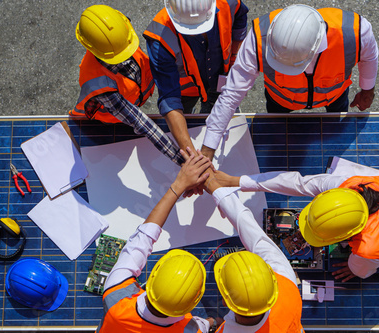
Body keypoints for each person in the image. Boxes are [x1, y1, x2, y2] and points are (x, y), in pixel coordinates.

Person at [210, 170, 379, 286]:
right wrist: (236, 181)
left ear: (345, 237)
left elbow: (361, 271)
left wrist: (354, 268)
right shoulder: (348, 186)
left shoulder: (370, 248)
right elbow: (298, 182)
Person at [201, 4, 378, 160]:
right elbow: (232, 92)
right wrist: (209, 146)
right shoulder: (258, 39)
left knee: (335, 137)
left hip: (334, 97)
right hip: (280, 101)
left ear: (316, 48)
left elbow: (369, 57)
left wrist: (367, 89)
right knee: (279, 144)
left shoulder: (356, 32)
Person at [97, 148, 217, 332]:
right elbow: (204, 324)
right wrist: (213, 322)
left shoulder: (116, 297)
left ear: (152, 277)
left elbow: (142, 239)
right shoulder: (191, 329)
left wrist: (178, 185)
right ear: (192, 306)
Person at [70, 5, 184, 166]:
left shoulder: (120, 41)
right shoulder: (99, 85)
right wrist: (182, 161)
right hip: (110, 120)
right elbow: (141, 123)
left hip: (135, 100)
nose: (128, 53)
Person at [143, 0, 249, 156]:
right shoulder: (159, 37)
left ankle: (212, 101)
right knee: (185, 117)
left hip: (221, 75)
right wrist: (192, 157)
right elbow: (169, 98)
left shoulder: (228, 3)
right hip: (186, 92)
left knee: (222, 105)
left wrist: (235, 60)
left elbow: (240, 17)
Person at [203, 174, 304, 332]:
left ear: (224, 301)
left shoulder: (286, 281)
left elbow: (250, 229)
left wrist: (212, 184)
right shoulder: (286, 288)